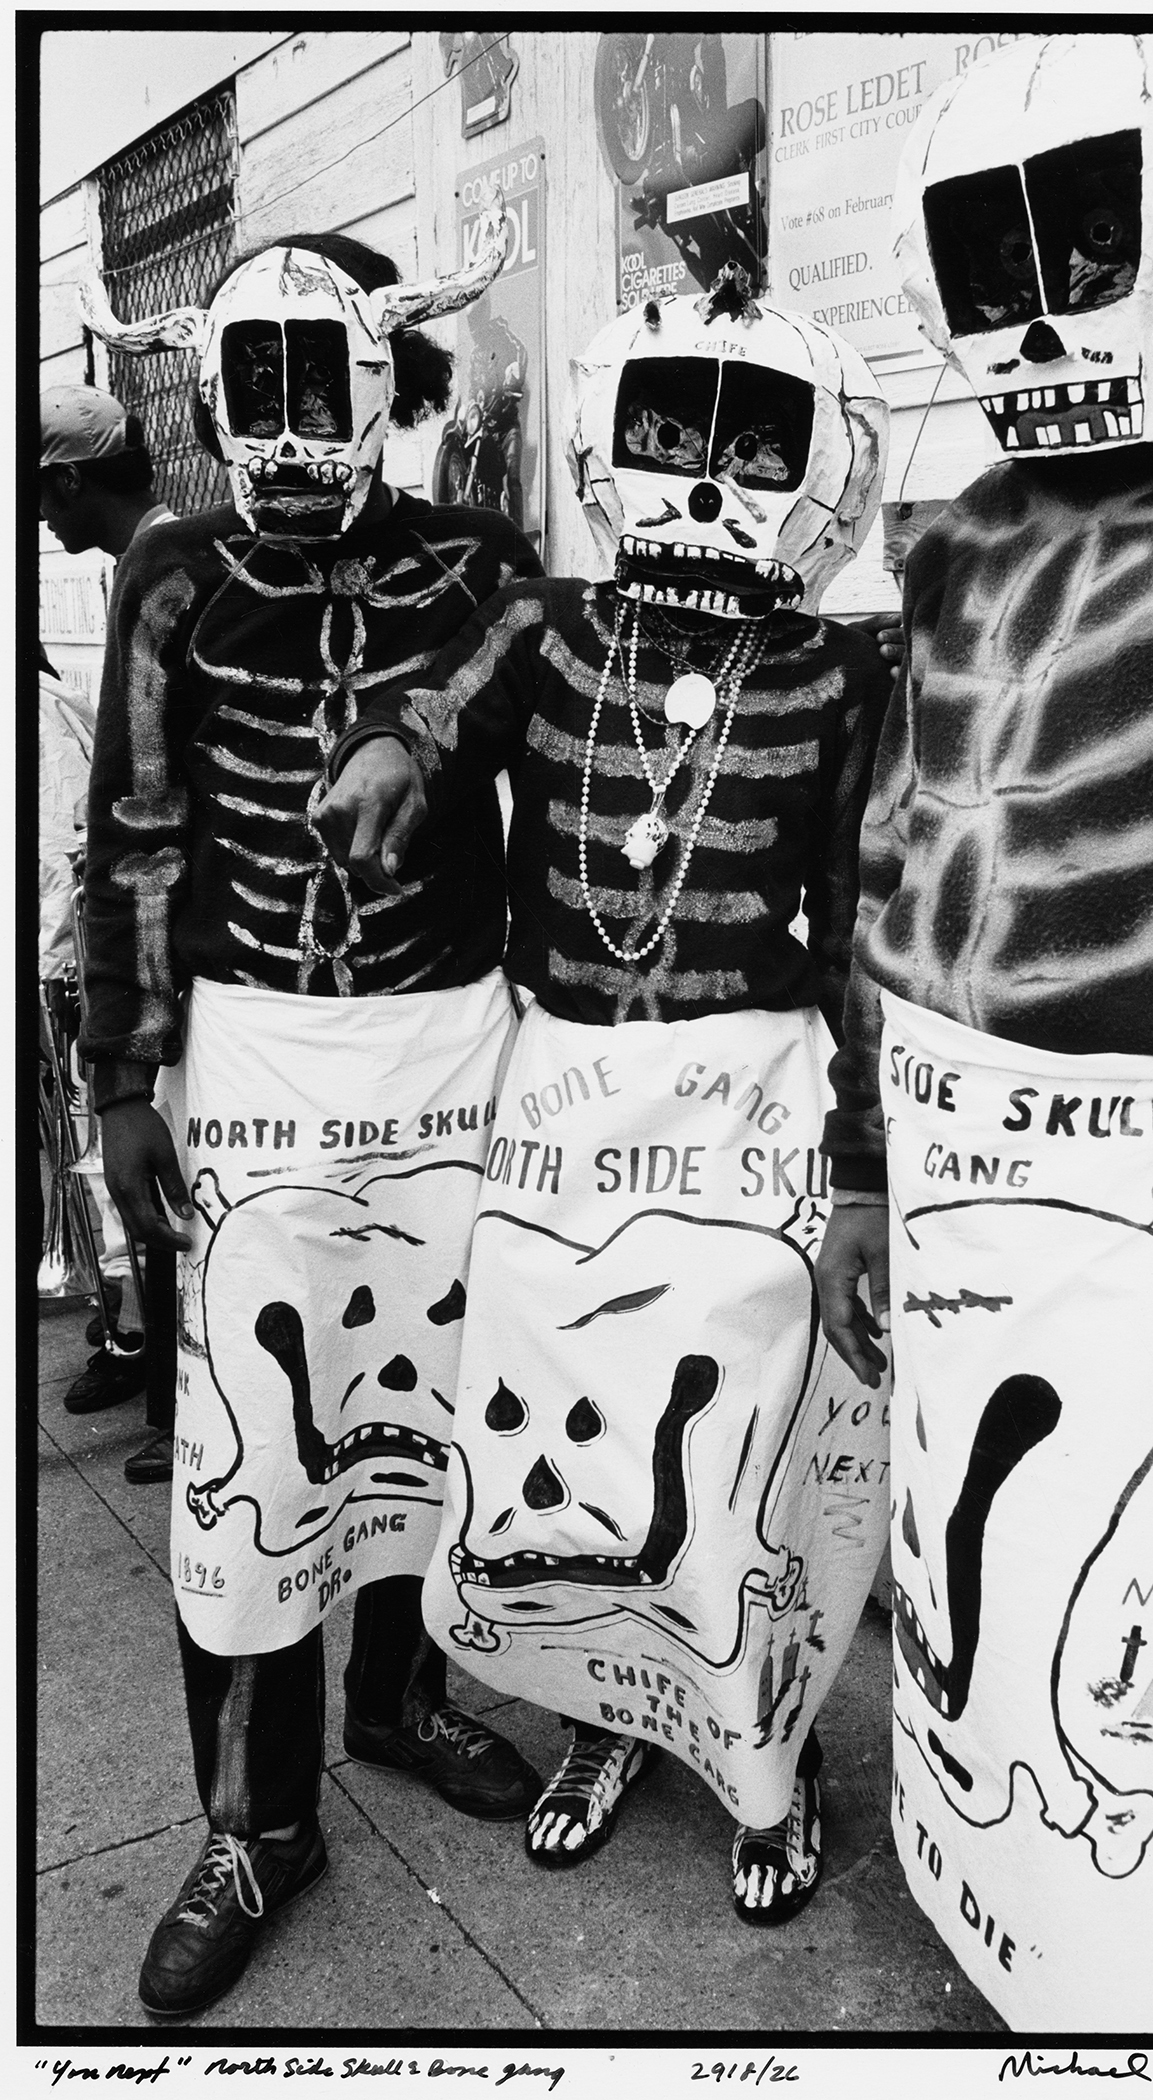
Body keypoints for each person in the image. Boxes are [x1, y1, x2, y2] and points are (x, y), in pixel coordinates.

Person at [815, 33, 1153, 2033]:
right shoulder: (955, 532)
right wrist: (871, 1176)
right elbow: (894, 856)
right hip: (968, 1185)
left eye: (1079, 237)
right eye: (992, 251)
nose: (1039, 306)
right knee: (978, 1594)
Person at [318, 272, 894, 1924]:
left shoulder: (843, 672)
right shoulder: (554, 622)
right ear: (609, 436)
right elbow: (438, 718)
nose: (701, 477)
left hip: (744, 1104)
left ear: (814, 466)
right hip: (559, 1095)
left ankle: (762, 1761)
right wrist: (390, 755)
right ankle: (602, 1727)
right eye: (664, 430)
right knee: (553, 1448)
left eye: (745, 441)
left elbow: (854, 925)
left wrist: (858, 1171)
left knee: (726, 1450)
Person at [78, 220, 546, 2017]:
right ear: (207, 395)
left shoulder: (474, 561)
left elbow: (529, 645)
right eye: (244, 389)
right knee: (253, 1455)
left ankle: (404, 1697)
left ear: (380, 383)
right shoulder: (177, 573)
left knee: (424, 1422)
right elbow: (133, 824)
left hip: (442, 1056)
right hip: (255, 1067)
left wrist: (424, 729)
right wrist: (126, 1075)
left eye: (311, 384)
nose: (278, 430)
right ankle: (257, 1820)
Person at [39, 387, 178, 1431]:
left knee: (148, 1164)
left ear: (73, 480)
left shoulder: (165, 566)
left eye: (43, 492)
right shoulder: (144, 562)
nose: (41, 516)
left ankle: (168, 1386)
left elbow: (148, 795)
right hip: (149, 926)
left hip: (168, 938)